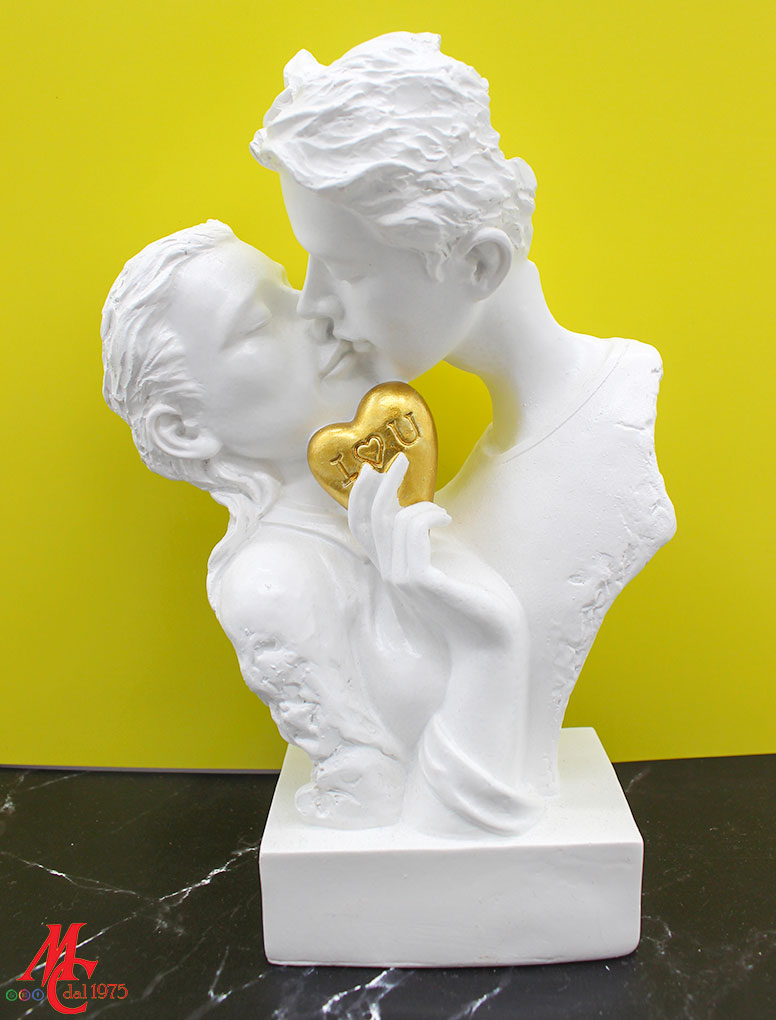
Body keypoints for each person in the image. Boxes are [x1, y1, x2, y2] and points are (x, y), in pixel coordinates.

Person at [251, 31, 678, 794]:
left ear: (478, 263)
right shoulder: (476, 462)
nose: (313, 305)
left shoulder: (604, 439)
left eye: (346, 269)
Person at [102, 221, 540, 835]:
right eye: (258, 322)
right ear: (184, 430)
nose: (316, 311)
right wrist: (486, 642)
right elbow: (370, 793)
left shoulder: (382, 514)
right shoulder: (273, 588)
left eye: (289, 288)